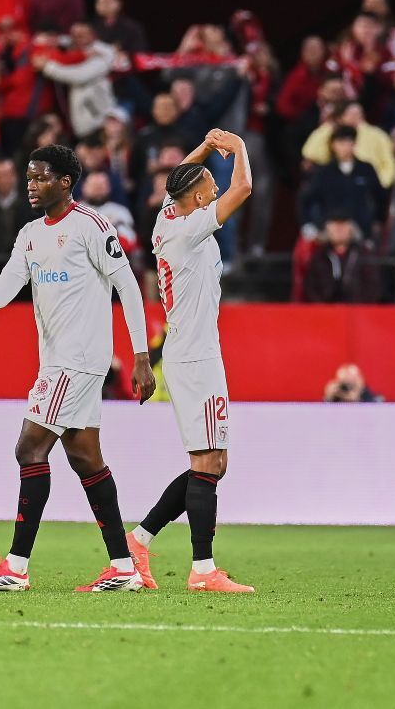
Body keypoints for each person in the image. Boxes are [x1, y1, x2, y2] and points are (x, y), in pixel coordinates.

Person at [0, 144, 155, 593]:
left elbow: (129, 287)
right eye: (28, 178)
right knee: (85, 458)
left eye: (40, 177)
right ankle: (124, 566)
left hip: (76, 361)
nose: (31, 185)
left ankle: (16, 568)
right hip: (60, 360)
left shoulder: (92, 227)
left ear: (65, 181)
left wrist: (141, 356)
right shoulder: (29, 234)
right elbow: (3, 291)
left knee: (29, 448)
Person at [124, 129, 255, 593]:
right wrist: (237, 147)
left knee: (213, 463)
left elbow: (174, 183)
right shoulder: (187, 227)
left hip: (196, 352)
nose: (216, 191)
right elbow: (243, 189)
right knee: (208, 461)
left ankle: (139, 542)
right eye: (209, 189)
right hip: (195, 355)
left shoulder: (168, 217)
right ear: (198, 198)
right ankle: (203, 571)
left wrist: (202, 147)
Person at [299, 125, 387, 245]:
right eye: (341, 143)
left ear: (354, 144)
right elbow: (305, 199)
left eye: (349, 142)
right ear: (333, 145)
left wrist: (377, 221)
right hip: (330, 231)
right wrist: (308, 225)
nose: (345, 147)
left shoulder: (366, 169)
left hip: (360, 231)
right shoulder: (324, 172)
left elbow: (381, 197)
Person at [36, 22, 117, 139]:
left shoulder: (104, 52)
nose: (77, 38)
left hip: (97, 121)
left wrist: (47, 67)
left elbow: (79, 76)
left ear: (92, 35)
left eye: (82, 34)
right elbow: (58, 39)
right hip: (78, 123)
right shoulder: (74, 49)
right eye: (74, 35)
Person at [303, 211, 380, 304]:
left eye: (343, 225)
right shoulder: (319, 256)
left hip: (359, 312)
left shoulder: (364, 254)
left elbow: (373, 287)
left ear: (351, 229)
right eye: (335, 225)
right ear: (328, 229)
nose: (339, 229)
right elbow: (310, 288)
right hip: (325, 313)